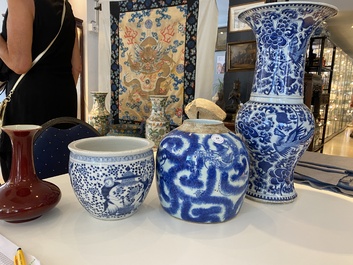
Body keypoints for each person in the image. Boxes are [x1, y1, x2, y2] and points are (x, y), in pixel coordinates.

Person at [0, 0, 82, 181]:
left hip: (30, 102)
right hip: (64, 96)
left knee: (24, 179)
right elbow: (76, 67)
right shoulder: (65, 5)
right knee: (60, 170)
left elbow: (20, 64)